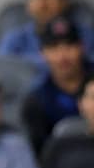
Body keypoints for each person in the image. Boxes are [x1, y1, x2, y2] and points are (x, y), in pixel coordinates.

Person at [21, 17, 94, 153]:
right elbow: (41, 155)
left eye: (69, 46)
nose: (63, 56)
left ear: (82, 47)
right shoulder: (37, 99)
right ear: (42, 53)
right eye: (54, 47)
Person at [0, 0, 94, 69]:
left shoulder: (85, 35)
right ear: (27, 4)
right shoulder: (14, 39)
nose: (43, 2)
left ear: (65, 1)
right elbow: (1, 71)